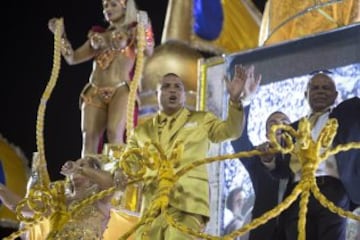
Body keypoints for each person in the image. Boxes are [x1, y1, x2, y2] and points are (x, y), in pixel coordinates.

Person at [123, 64, 261, 239]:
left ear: (184, 95)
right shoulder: (141, 132)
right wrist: (121, 172)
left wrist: (235, 101)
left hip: (189, 203)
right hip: (152, 207)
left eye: (178, 87)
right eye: (166, 87)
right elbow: (129, 165)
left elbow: (231, 131)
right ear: (157, 94)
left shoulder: (201, 119)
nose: (172, 90)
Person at [48, 0, 154, 157]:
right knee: (89, 136)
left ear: (125, 7)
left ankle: (116, 176)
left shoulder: (133, 32)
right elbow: (73, 58)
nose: (108, 9)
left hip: (120, 89)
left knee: (114, 132)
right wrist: (60, 35)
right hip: (94, 90)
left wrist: (145, 27)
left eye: (113, 5)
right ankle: (87, 178)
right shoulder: (98, 35)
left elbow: (148, 50)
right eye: (105, 6)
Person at [265, 71, 360, 240]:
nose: (320, 91)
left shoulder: (348, 115)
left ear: (336, 95)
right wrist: (269, 160)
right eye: (315, 88)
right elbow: (282, 170)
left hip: (333, 190)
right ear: (306, 94)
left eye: (326, 87)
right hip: (298, 192)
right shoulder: (293, 129)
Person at [1, 156, 114, 239]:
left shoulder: (99, 199)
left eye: (82, 165)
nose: (75, 170)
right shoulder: (57, 200)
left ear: (94, 172)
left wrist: (79, 169)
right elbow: (20, 206)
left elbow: (110, 183)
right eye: (75, 165)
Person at [231, 110, 291, 240]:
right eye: (273, 123)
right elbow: (239, 140)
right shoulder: (259, 158)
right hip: (263, 232)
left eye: (284, 122)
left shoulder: (303, 159)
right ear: (267, 134)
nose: (279, 125)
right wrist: (244, 101)